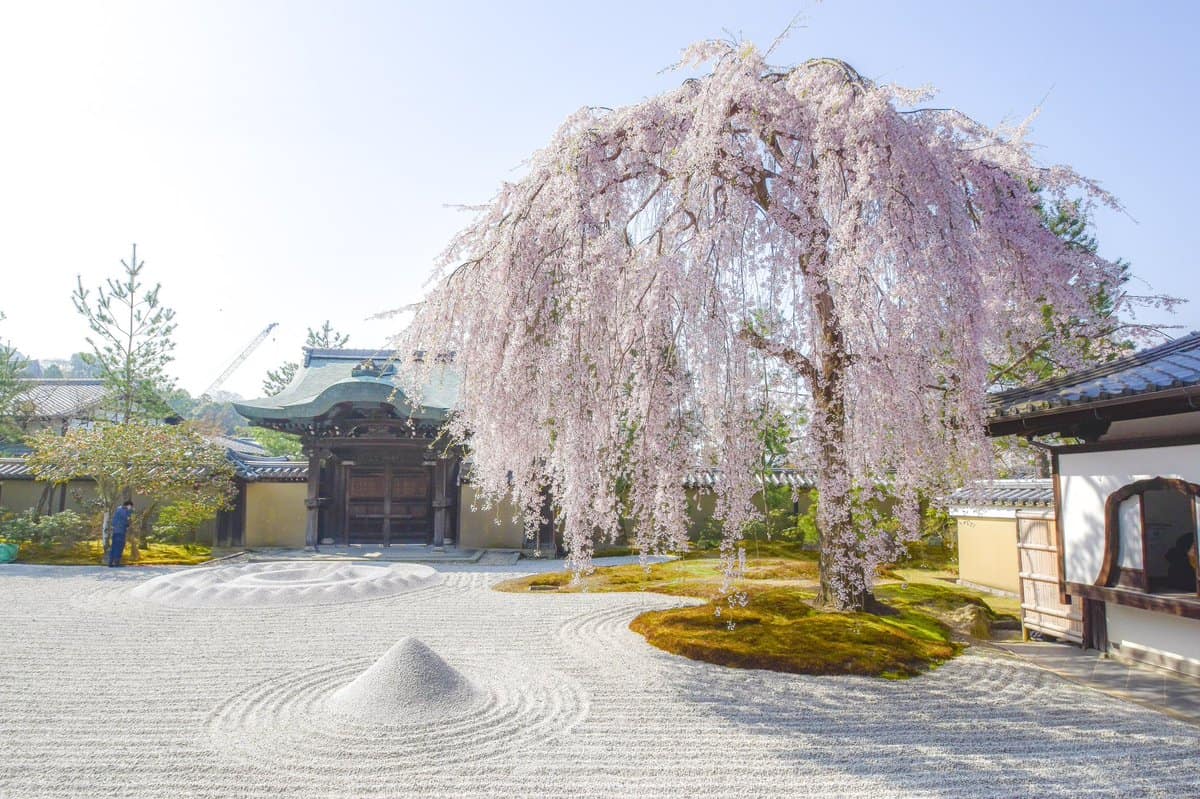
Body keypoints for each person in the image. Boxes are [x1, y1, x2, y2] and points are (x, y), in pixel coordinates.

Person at [109, 500, 134, 567]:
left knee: (114, 546)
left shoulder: (118, 510)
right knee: (119, 546)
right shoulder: (123, 511)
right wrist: (129, 512)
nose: (131, 508)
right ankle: (116, 562)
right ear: (128, 505)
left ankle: (111, 562)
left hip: (115, 531)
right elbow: (126, 519)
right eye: (130, 507)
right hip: (120, 531)